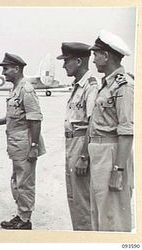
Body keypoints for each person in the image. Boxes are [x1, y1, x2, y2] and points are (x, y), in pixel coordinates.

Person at [0, 53, 45, 230]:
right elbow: (15, 116)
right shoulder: (16, 88)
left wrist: (34, 147)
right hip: (17, 143)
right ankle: (21, 215)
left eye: (6, 69)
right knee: (17, 180)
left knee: (25, 182)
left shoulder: (26, 89)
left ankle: (25, 220)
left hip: (25, 143)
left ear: (17, 68)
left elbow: (35, 120)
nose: (3, 72)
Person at [88, 30, 134, 231]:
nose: (94, 60)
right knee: (99, 213)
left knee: (113, 216)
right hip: (99, 153)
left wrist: (118, 170)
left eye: (95, 54)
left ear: (106, 56)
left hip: (112, 154)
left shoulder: (124, 86)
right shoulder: (106, 85)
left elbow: (126, 131)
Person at [56, 42, 98, 231]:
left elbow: (93, 124)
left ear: (79, 61)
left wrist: (83, 156)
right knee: (74, 197)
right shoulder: (79, 86)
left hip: (81, 144)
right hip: (72, 143)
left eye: (67, 61)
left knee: (82, 200)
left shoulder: (91, 87)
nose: (64, 66)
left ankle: (86, 239)